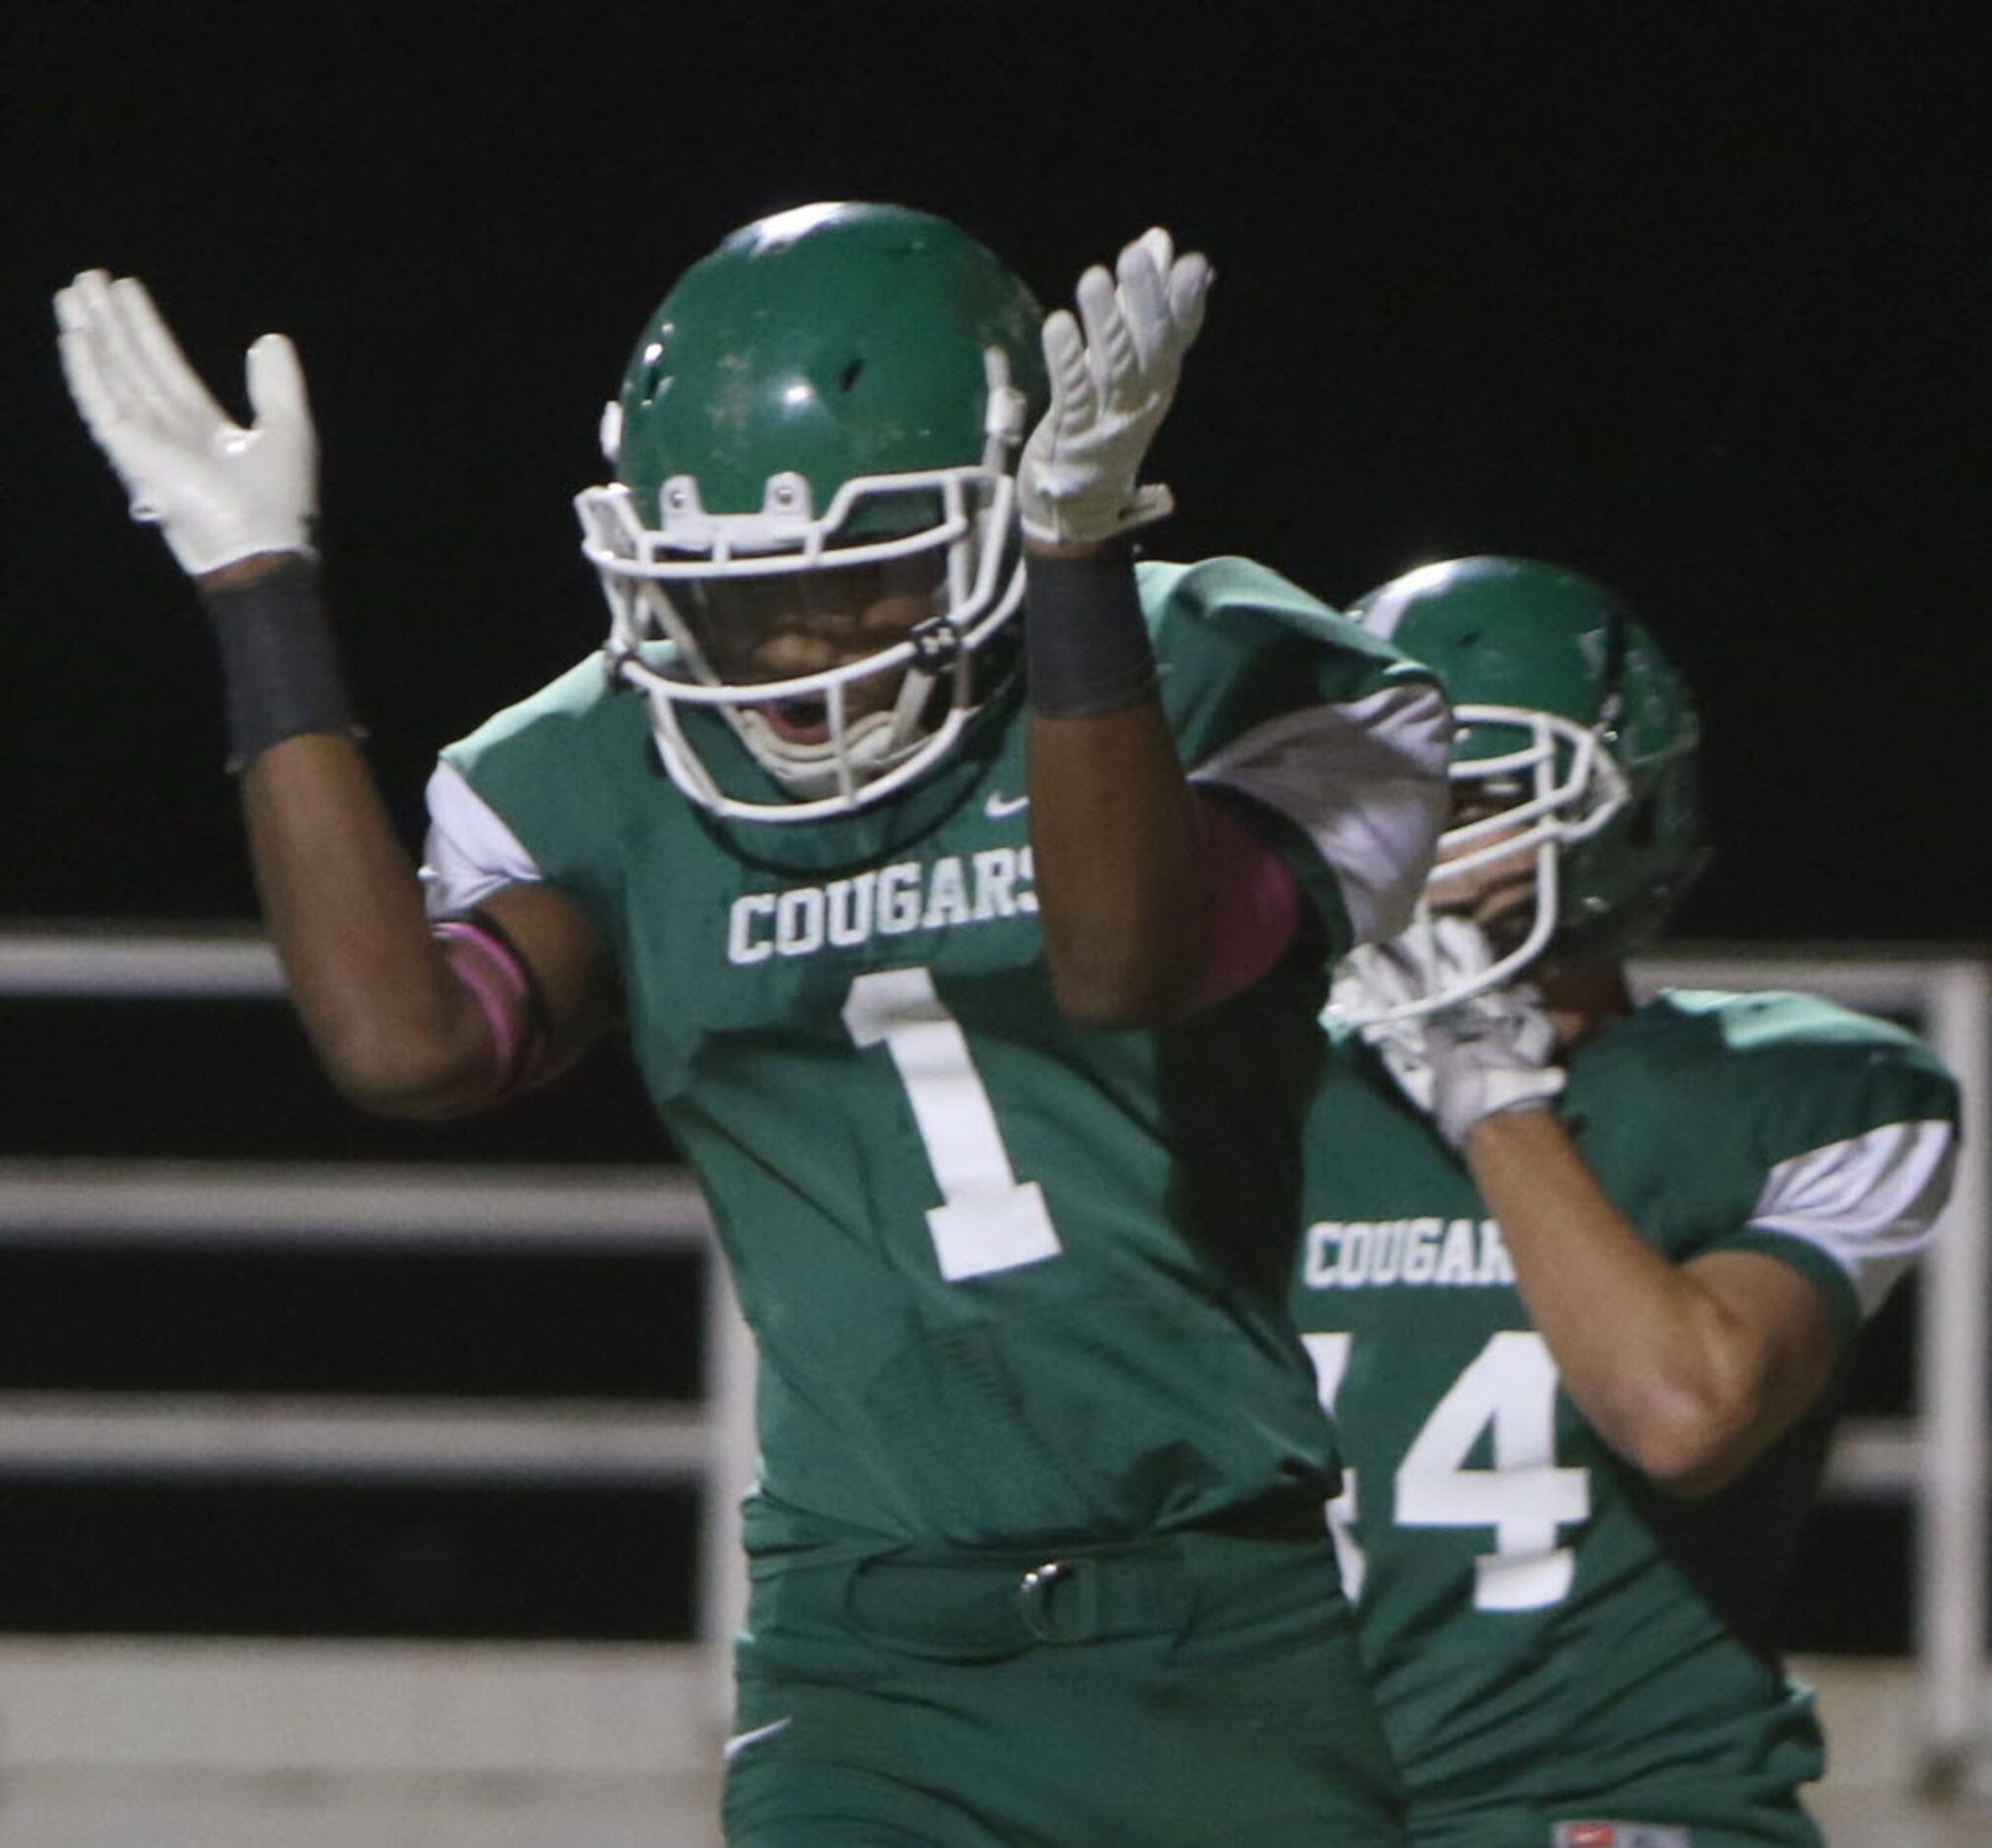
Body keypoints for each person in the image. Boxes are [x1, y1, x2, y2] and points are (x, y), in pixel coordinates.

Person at [57, 203, 1454, 1845]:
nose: (793, 653)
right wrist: (259, 593)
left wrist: (1080, 576)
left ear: (1002, 517)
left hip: (1220, 1624)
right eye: (743, 594)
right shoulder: (602, 764)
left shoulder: (1210, 664)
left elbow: (1118, 958)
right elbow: (406, 1045)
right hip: (866, 1655)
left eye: (855, 580)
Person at [1292, 554, 1961, 1848]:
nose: (1411, 844)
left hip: (1618, 1812)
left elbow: (1682, 1407)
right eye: (1379, 794)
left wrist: (1494, 1098)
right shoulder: (1250, 1092)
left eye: (1471, 797)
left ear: (1616, 807)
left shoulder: (1798, 1088)